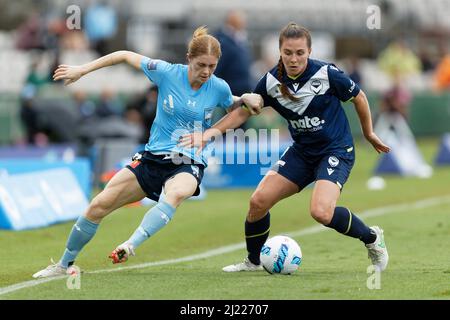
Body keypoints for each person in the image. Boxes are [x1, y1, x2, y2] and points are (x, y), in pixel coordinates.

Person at [32, 26, 262, 278]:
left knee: (174, 194)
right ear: (189, 59)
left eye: (212, 66)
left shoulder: (218, 87)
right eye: (201, 65)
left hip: (188, 161)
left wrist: (246, 100)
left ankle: (129, 245)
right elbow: (122, 54)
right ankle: (63, 265)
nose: (206, 71)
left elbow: (235, 109)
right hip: (153, 157)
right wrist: (82, 70)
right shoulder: (165, 72)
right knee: (98, 206)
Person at [182, 23, 391, 273]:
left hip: (335, 150)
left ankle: (371, 238)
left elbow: (359, 97)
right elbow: (242, 113)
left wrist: (368, 133)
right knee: (258, 201)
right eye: (288, 52)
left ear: (309, 52)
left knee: (321, 212)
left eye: (300, 53)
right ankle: (254, 261)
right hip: (302, 152)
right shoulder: (271, 81)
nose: (294, 59)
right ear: (280, 51)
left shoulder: (327, 74)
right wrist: (207, 135)